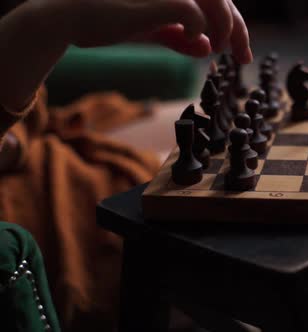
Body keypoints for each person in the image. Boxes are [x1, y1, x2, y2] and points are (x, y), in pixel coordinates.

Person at [0, 1, 252, 331]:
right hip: (20, 194)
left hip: (38, 127)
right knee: (255, 204)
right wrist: (54, 19)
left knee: (242, 123)